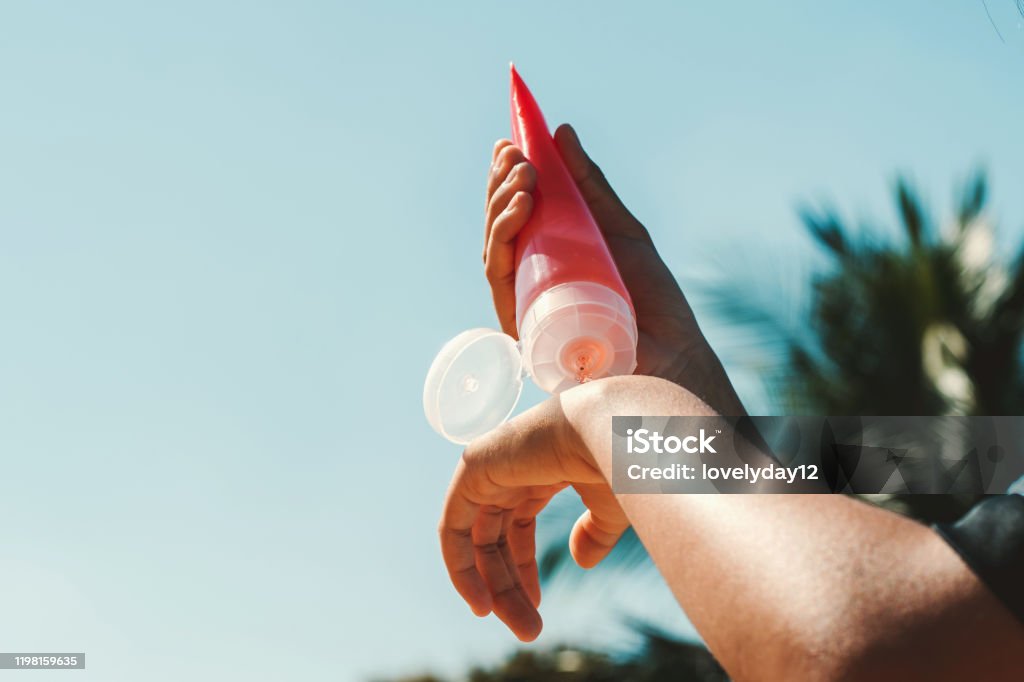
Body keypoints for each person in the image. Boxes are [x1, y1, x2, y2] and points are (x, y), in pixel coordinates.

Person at [437, 125, 1024, 680]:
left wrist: (615, 423)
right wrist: (681, 397)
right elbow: (963, 456)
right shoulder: (996, 449)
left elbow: (864, 654)